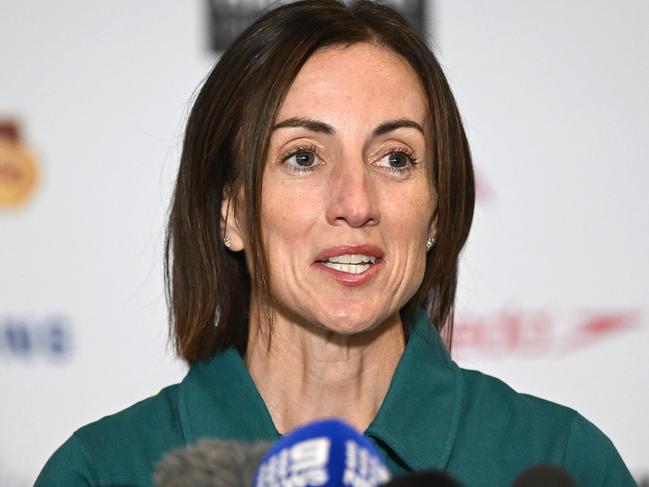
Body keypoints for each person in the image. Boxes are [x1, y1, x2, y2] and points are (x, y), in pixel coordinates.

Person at [35, 1, 635, 486]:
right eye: (303, 157)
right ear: (231, 212)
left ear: (435, 212)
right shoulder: (104, 470)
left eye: (396, 158)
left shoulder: (557, 460)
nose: (356, 203)